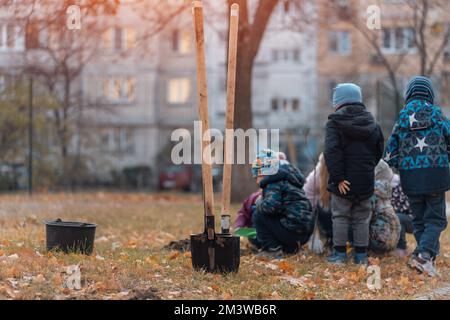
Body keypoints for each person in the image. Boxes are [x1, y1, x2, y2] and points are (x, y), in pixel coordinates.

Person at [384, 76, 449, 277]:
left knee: (420, 220)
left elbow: (389, 155)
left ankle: (426, 262)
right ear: (430, 94)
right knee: (437, 220)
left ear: (408, 94)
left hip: (410, 179)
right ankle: (423, 255)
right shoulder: (438, 116)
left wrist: (399, 165)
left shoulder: (402, 119)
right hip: (436, 176)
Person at [324, 83, 384, 265]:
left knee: (340, 215)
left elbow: (331, 151)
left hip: (344, 180)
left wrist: (338, 177)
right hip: (365, 179)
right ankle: (361, 256)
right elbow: (379, 149)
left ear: (339, 101)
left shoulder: (334, 122)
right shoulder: (372, 122)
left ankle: (340, 254)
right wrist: (367, 168)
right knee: (362, 217)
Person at [252, 149, 315, 259]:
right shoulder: (289, 180)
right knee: (271, 215)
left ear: (264, 172)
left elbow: (271, 207)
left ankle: (272, 250)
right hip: (306, 232)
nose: (257, 181)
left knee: (258, 213)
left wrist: (259, 201)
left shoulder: (273, 183)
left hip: (292, 231)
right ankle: (292, 250)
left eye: (257, 176)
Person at [369, 160, 401, 253]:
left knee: (358, 220)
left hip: (379, 243)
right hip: (392, 241)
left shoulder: (373, 196)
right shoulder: (384, 192)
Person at [303, 153, 333, 254]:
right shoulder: (318, 175)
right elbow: (308, 205)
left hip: (319, 208)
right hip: (311, 209)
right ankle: (329, 237)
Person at [390, 174, 414, 257]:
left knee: (397, 217)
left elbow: (407, 207)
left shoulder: (402, 186)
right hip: (397, 216)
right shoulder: (380, 188)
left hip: (413, 219)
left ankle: (401, 249)